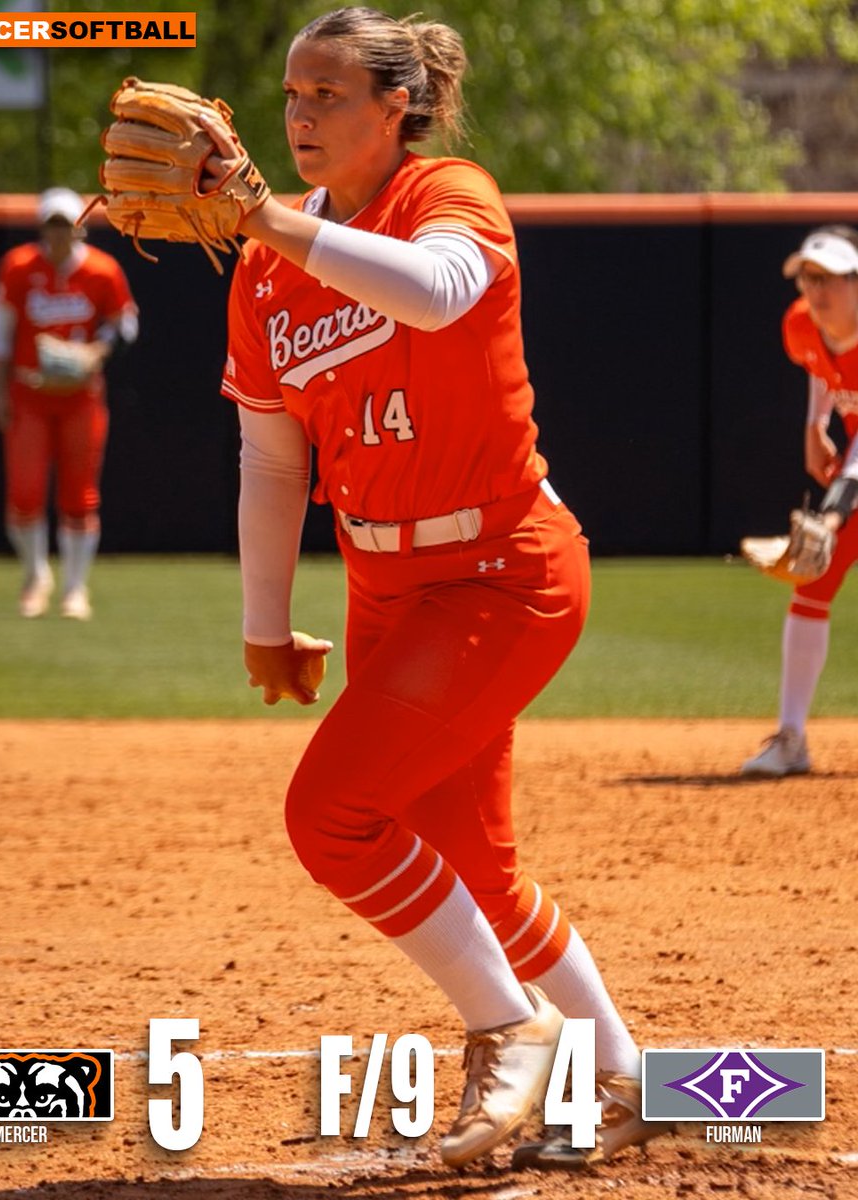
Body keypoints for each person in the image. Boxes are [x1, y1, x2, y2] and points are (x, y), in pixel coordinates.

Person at [210, 6, 668, 1168]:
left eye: (328, 95)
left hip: (505, 571)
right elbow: (273, 456)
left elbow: (440, 293)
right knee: (476, 868)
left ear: (395, 107)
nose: (301, 116)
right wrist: (267, 623)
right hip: (386, 582)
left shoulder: (450, 194)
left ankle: (509, 1027)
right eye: (291, 97)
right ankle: (624, 1081)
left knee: (332, 817)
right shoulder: (267, 272)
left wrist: (266, 219)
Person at [0, 187, 139, 620]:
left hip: (80, 397)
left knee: (80, 495)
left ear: (80, 227)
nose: (58, 235)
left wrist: (96, 353)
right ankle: (35, 576)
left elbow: (124, 323)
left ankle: (75, 587)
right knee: (25, 492)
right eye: (51, 226)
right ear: (41, 228)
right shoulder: (18, 267)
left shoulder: (102, 271)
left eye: (65, 226)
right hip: (29, 393)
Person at [741, 225, 858, 778]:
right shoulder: (799, 324)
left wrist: (834, 512)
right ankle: (791, 739)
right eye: (808, 278)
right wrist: (815, 424)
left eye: (829, 278)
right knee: (813, 582)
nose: (816, 291)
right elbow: (818, 365)